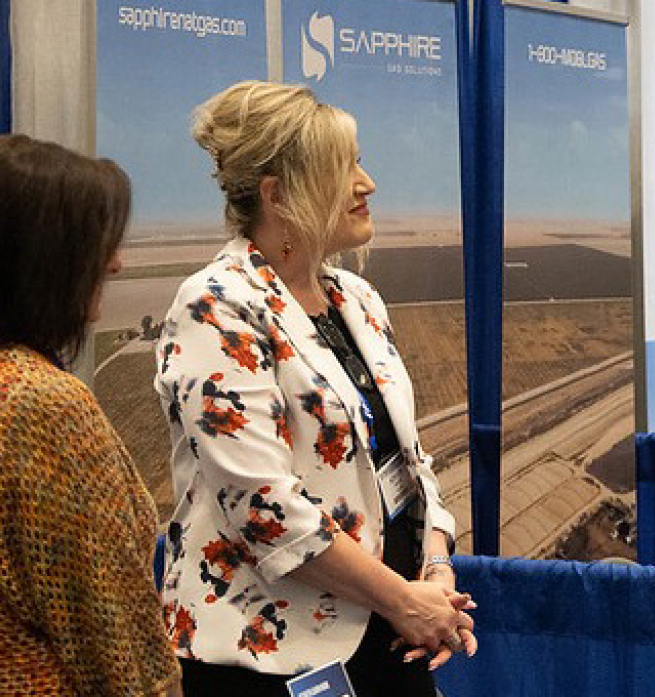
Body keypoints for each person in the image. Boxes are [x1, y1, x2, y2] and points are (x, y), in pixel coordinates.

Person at [154, 81, 473, 696]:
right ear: (277, 195)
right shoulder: (217, 303)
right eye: (345, 166)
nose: (367, 182)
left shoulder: (357, 298)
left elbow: (410, 461)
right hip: (272, 660)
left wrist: (433, 570)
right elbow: (263, 505)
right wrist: (404, 599)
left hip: (393, 631)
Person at [0, 135, 181, 695]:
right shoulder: (39, 403)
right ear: (44, 260)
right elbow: (110, 631)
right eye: (96, 245)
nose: (116, 263)